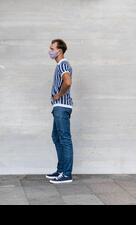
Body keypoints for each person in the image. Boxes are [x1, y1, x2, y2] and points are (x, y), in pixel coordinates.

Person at [45, 39, 74, 184]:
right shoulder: (60, 65)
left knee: (64, 139)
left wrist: (58, 95)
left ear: (59, 51)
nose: (50, 51)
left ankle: (66, 174)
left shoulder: (63, 64)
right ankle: (61, 170)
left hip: (62, 107)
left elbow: (67, 82)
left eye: (52, 48)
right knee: (56, 137)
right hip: (59, 107)